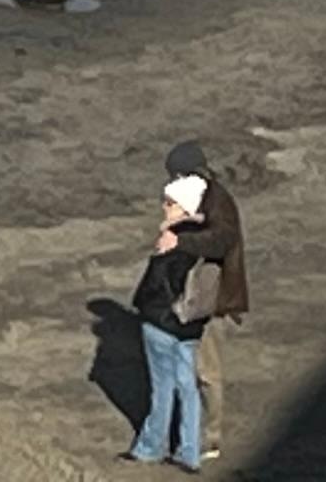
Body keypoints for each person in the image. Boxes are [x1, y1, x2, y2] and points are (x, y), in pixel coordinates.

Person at [163, 140, 251, 459]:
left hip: (211, 300)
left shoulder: (217, 202)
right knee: (189, 368)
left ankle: (210, 439)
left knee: (207, 372)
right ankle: (191, 432)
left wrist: (182, 241)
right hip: (195, 297)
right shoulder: (201, 197)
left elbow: (221, 241)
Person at [128, 173, 217, 469]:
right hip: (192, 325)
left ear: (183, 206)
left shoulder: (172, 241)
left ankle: (150, 447)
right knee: (188, 388)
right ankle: (190, 452)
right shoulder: (209, 240)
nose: (164, 207)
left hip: (162, 323)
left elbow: (153, 285)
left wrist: (141, 306)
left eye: (170, 202)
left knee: (163, 387)